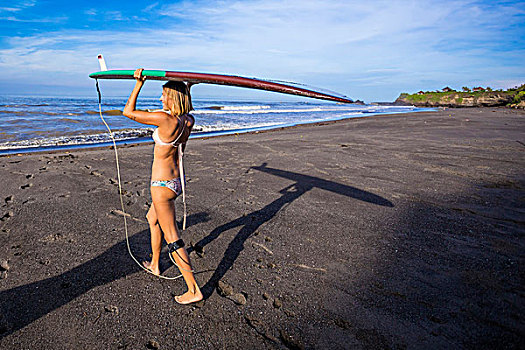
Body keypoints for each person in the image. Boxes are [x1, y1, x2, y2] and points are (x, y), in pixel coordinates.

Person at [122, 68, 202, 304]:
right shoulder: (188, 120)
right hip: (175, 183)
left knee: (173, 238)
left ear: (172, 98)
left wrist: (138, 84)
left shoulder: (164, 119)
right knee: (152, 219)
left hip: (161, 186)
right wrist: (187, 88)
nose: (160, 98)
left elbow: (128, 111)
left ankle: (194, 289)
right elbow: (183, 106)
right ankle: (156, 264)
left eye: (164, 94)